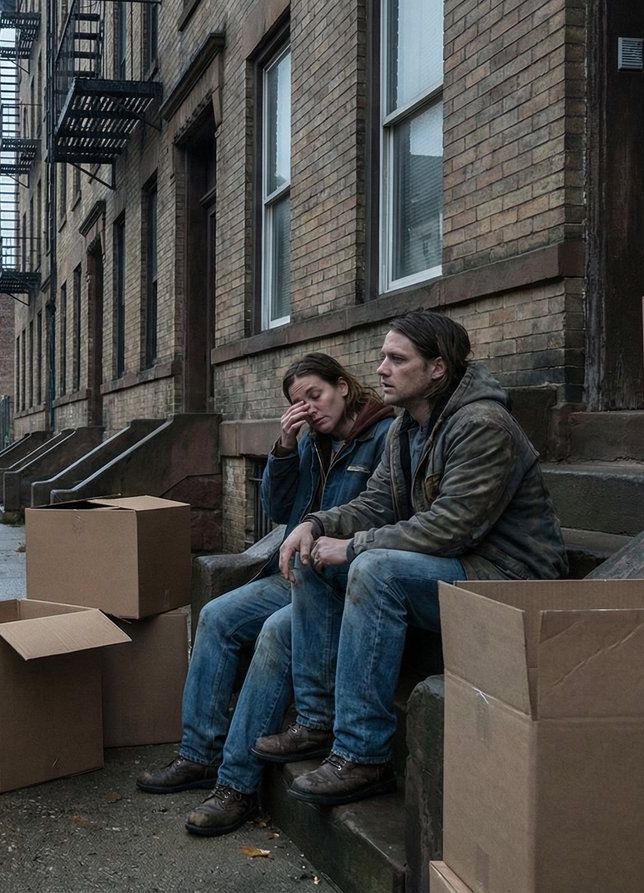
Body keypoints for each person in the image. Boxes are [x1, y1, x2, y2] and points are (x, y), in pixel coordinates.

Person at [254, 311, 566, 806]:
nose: (381, 369)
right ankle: (317, 721)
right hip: (452, 567)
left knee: (375, 570)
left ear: (437, 368)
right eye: (383, 358)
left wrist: (354, 547)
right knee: (318, 557)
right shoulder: (408, 428)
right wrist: (317, 526)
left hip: (507, 575)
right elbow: (374, 504)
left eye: (397, 359)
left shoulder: (483, 425)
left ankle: (362, 755)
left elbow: (451, 526)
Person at [134, 353, 394, 835]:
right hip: (294, 574)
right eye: (299, 403)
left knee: (276, 632)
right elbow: (276, 508)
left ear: (343, 386)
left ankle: (236, 786)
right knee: (216, 615)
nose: (309, 409)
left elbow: (380, 516)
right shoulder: (309, 441)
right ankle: (199, 755)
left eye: (315, 396)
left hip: (341, 583)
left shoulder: (383, 436)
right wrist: (284, 446)